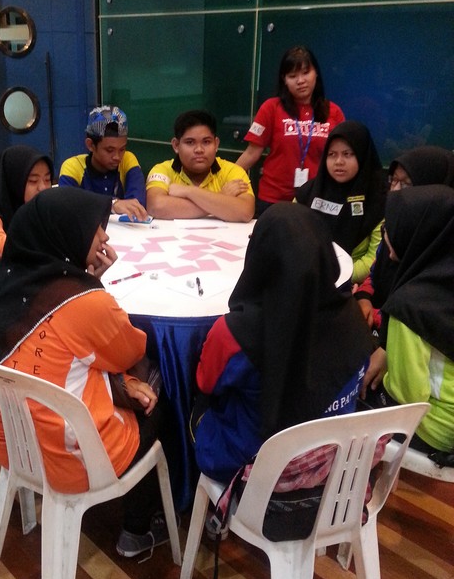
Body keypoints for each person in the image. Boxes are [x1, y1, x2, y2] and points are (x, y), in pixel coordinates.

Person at [0, 188, 173, 558]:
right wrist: (93, 285)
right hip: (68, 460)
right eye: (93, 228)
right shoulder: (85, 302)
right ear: (65, 234)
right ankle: (139, 528)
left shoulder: (10, 281)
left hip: (11, 445)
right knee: (159, 397)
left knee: (112, 378)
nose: (104, 237)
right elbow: (131, 351)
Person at [191, 203, 373, 538]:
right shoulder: (353, 318)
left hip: (255, 468)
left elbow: (206, 383)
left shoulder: (233, 332)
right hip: (337, 465)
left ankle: (189, 507)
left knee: (194, 407)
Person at [368, 185, 454, 458]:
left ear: (416, 233)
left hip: (438, 431)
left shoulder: (410, 306)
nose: (385, 236)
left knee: (356, 392)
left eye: (392, 227)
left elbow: (408, 397)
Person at [236, 45, 345, 215]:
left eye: (305, 73)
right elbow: (251, 153)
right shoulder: (271, 108)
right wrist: (226, 180)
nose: (300, 81)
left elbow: (342, 156)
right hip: (273, 200)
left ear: (316, 73)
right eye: (292, 76)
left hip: (316, 200)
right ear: (284, 80)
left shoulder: (333, 112)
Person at [356, 145, 454, 330]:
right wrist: (363, 297)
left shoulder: (442, 257)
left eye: (406, 184)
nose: (395, 191)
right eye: (393, 180)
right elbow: (376, 271)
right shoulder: (397, 227)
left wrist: (376, 318)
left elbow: (422, 320)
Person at [295, 121, 386, 285]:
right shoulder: (308, 192)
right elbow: (290, 236)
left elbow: (374, 258)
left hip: (351, 284)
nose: (338, 161)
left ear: (362, 156)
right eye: (332, 154)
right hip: (306, 276)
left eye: (347, 154)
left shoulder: (379, 200)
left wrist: (335, 277)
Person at [146, 109, 254, 222]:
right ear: (176, 145)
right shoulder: (162, 170)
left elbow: (245, 212)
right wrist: (221, 197)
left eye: (206, 142)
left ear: (216, 144)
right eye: (190, 142)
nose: (199, 150)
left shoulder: (232, 170)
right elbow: (156, 206)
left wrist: (189, 191)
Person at [58, 105, 149, 221]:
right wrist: (112, 205)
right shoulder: (73, 166)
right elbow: (66, 207)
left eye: (122, 149)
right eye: (109, 150)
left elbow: (137, 206)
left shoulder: (127, 159)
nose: (117, 157)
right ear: (90, 145)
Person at [0, 144, 54, 255]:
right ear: (14, 182)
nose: (43, 188)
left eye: (47, 179)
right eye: (33, 181)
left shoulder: (41, 207)